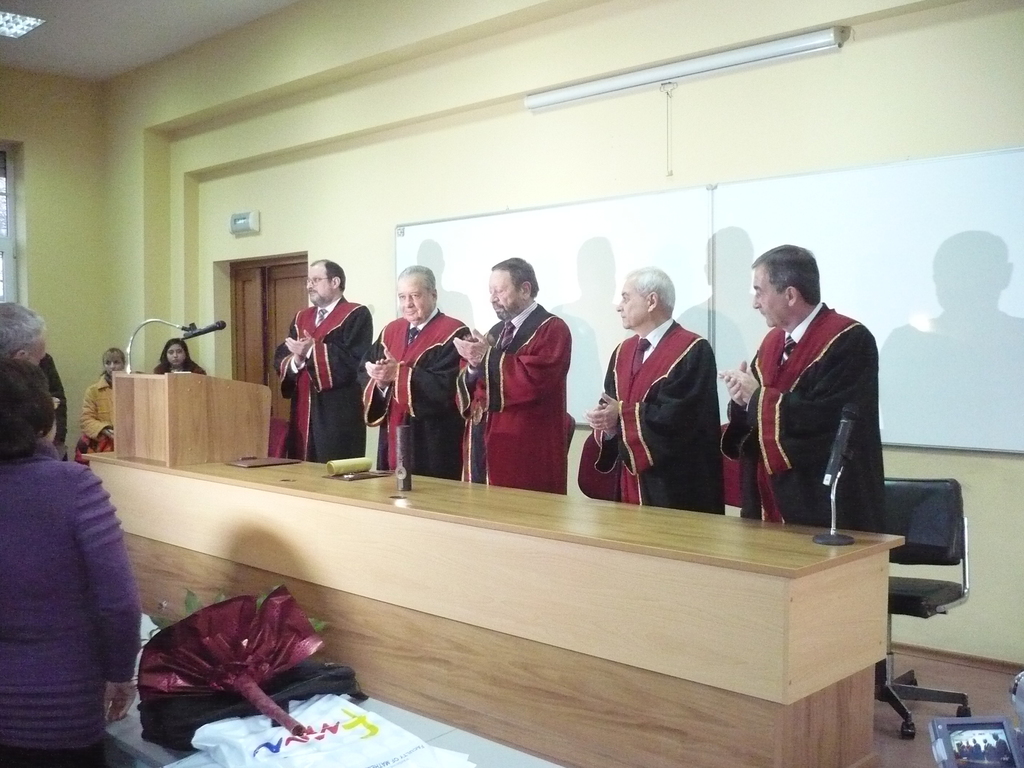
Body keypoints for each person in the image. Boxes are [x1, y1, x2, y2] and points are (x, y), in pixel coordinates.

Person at [0, 358, 141, 767]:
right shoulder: (73, 486)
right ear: (43, 419)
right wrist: (120, 672)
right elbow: (118, 603)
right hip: (61, 708)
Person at [719, 245, 884, 532]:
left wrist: (758, 398)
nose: (754, 303)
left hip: (822, 505)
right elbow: (760, 411)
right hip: (767, 501)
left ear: (790, 295)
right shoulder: (772, 343)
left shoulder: (849, 340)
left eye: (759, 291)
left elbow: (825, 419)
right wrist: (743, 400)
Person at [582, 268, 724, 513]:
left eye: (626, 298)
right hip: (629, 480)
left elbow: (679, 419)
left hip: (676, 485)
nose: (619, 306)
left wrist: (621, 415)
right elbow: (610, 403)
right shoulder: (622, 352)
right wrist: (606, 423)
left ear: (651, 301)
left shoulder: (692, 350)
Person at [454, 257, 571, 494]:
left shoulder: (552, 329)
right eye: (490, 291)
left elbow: (533, 381)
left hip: (527, 446)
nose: (492, 298)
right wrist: (474, 366)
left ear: (525, 289)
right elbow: (480, 386)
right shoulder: (496, 332)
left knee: (518, 511)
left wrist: (486, 358)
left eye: (499, 290)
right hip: (485, 439)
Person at [359, 265, 468, 480]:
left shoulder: (453, 332)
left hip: (432, 439)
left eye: (415, 296)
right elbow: (364, 370)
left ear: (433, 295)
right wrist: (380, 381)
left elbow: (446, 388)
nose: (407, 304)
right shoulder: (391, 331)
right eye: (402, 297)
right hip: (392, 433)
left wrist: (398, 375)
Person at [274, 259, 372, 462]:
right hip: (302, 409)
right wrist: (297, 360)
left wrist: (312, 351)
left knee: (333, 468)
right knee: (300, 467)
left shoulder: (356, 314)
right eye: (308, 281)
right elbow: (282, 354)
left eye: (316, 280)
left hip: (338, 413)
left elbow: (354, 362)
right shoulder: (301, 318)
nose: (309, 286)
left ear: (335, 282)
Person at [77, 347, 126, 461]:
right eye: (108, 363)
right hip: (102, 446)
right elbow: (86, 419)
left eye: (116, 362)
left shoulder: (133, 388)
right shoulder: (93, 391)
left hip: (128, 442)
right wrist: (105, 429)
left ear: (124, 364)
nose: (112, 367)